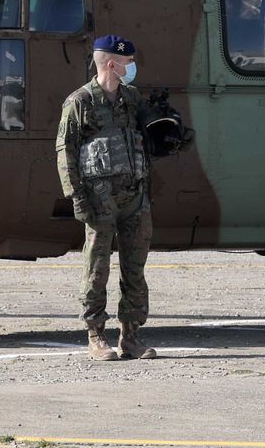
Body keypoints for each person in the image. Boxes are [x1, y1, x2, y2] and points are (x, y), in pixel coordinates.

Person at [57, 34, 159, 361]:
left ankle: (131, 337)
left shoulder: (132, 99)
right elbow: (66, 152)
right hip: (99, 199)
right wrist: (76, 197)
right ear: (112, 64)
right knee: (96, 267)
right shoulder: (79, 102)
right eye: (128, 63)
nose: (132, 68)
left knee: (134, 268)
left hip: (134, 197)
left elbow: (149, 137)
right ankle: (96, 335)